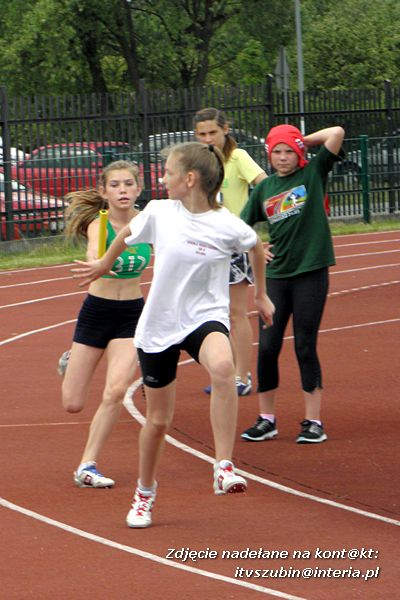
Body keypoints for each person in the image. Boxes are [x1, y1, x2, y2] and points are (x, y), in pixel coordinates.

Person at [72, 142, 274, 528]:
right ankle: (144, 494)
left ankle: (224, 465)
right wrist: (103, 263)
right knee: (159, 422)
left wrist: (261, 295)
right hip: (159, 326)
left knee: (223, 364)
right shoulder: (160, 212)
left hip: (204, 317)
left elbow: (254, 249)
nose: (162, 178)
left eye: (167, 172)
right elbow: (129, 232)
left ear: (190, 179)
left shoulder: (227, 223)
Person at [239, 124, 345, 444]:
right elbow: (238, 227)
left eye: (289, 151)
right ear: (268, 155)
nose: (283, 158)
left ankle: (313, 421)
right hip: (276, 277)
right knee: (268, 346)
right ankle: (266, 419)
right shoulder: (264, 188)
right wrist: (257, 245)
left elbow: (336, 133)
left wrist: (301, 140)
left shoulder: (313, 174)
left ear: (299, 154)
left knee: (304, 344)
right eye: (277, 151)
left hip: (310, 273)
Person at [60, 160, 151, 488]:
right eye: (115, 185)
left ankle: (87, 465)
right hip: (97, 313)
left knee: (115, 391)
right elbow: (95, 252)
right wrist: (98, 263)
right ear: (103, 192)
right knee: (72, 403)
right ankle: (72, 359)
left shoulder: (147, 223)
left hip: (130, 316)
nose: (123, 190)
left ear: (138, 189)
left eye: (129, 184)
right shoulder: (99, 224)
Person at [194, 108, 267, 396]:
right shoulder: (198, 163)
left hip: (233, 246)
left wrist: (254, 230)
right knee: (209, 313)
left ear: (226, 130)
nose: (208, 138)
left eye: (213, 132)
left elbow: (266, 185)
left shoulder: (238, 159)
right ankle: (222, 370)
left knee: (236, 314)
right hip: (203, 247)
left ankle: (242, 376)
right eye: (202, 134)